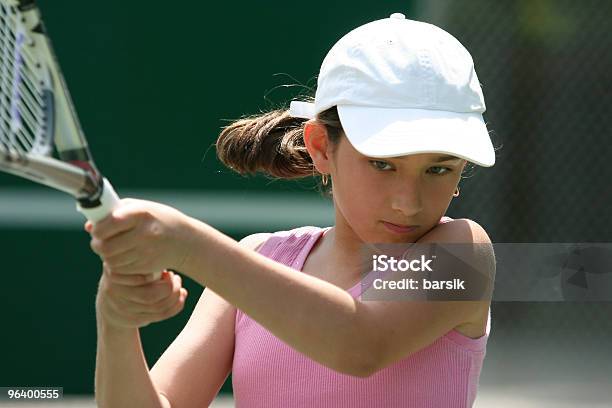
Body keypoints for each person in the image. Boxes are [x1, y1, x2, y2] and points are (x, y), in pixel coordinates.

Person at [88, 12, 497, 408]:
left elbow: (361, 345)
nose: (408, 202)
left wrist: (189, 245)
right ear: (321, 146)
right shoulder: (257, 259)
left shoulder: (463, 254)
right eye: (382, 164)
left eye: (439, 169)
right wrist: (116, 320)